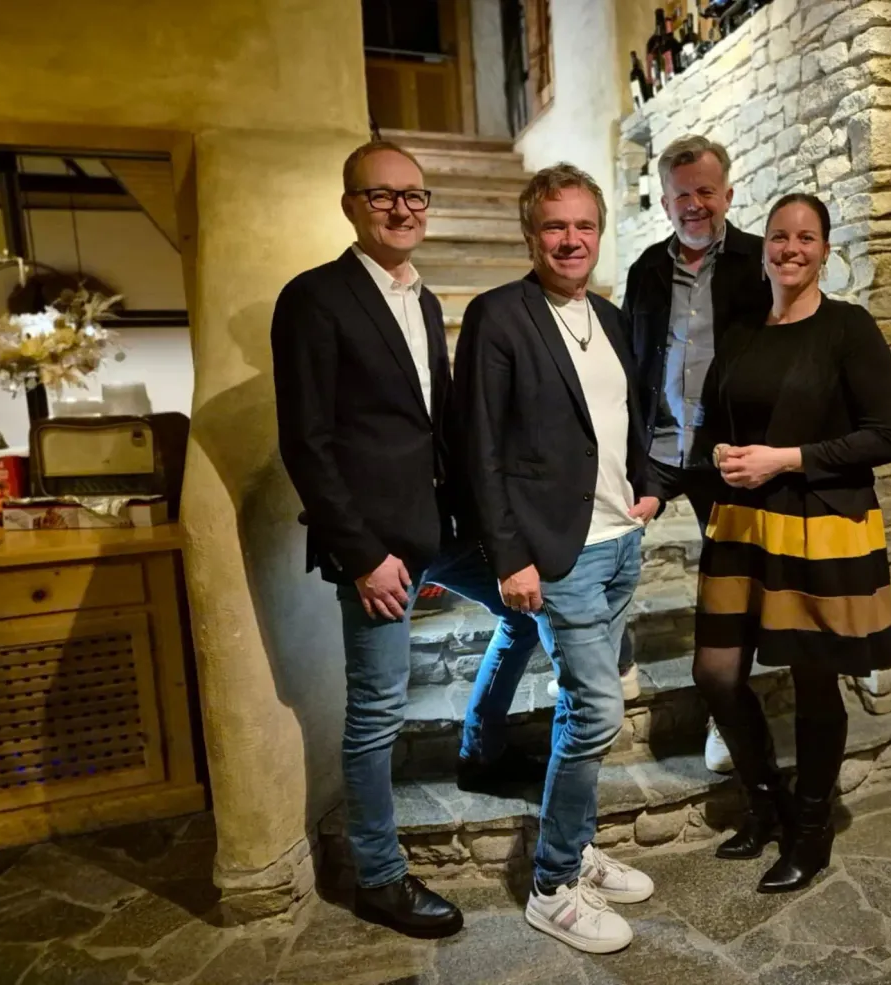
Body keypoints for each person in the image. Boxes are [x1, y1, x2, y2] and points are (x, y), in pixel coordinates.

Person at [270, 140, 541, 939]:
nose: (401, 209)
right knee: (376, 713)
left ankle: (482, 743)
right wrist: (361, 556)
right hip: (376, 547)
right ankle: (379, 878)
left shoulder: (421, 299)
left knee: (529, 609)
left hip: (441, 526)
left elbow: (437, 421)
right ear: (350, 205)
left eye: (414, 195)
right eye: (382, 195)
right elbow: (307, 442)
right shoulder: (314, 299)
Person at [453, 163, 663, 954]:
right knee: (598, 711)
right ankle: (551, 885)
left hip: (619, 542)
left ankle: (575, 846)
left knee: (585, 710)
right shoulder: (499, 315)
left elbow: (626, 414)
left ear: (598, 232)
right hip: (558, 554)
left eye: (584, 225)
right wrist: (511, 557)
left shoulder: (605, 316)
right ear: (530, 233)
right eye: (554, 225)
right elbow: (480, 446)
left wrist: (647, 485)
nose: (571, 239)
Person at [693, 193, 891, 894]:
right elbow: (711, 421)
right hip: (743, 521)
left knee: (815, 680)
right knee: (716, 672)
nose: (790, 248)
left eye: (806, 237)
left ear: (825, 250)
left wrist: (782, 460)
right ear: (765, 248)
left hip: (817, 522)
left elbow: (885, 437)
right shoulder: (743, 331)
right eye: (780, 236)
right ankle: (767, 808)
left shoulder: (849, 328)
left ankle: (811, 833)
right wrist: (715, 455)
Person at [622, 133, 772, 774]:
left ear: (727, 194)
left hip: (725, 452)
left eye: (706, 192)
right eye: (682, 195)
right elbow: (629, 360)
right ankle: (614, 668)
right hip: (656, 447)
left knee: (730, 581)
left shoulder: (759, 262)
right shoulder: (645, 270)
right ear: (665, 202)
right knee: (604, 544)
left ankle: (722, 709)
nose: (694, 205)